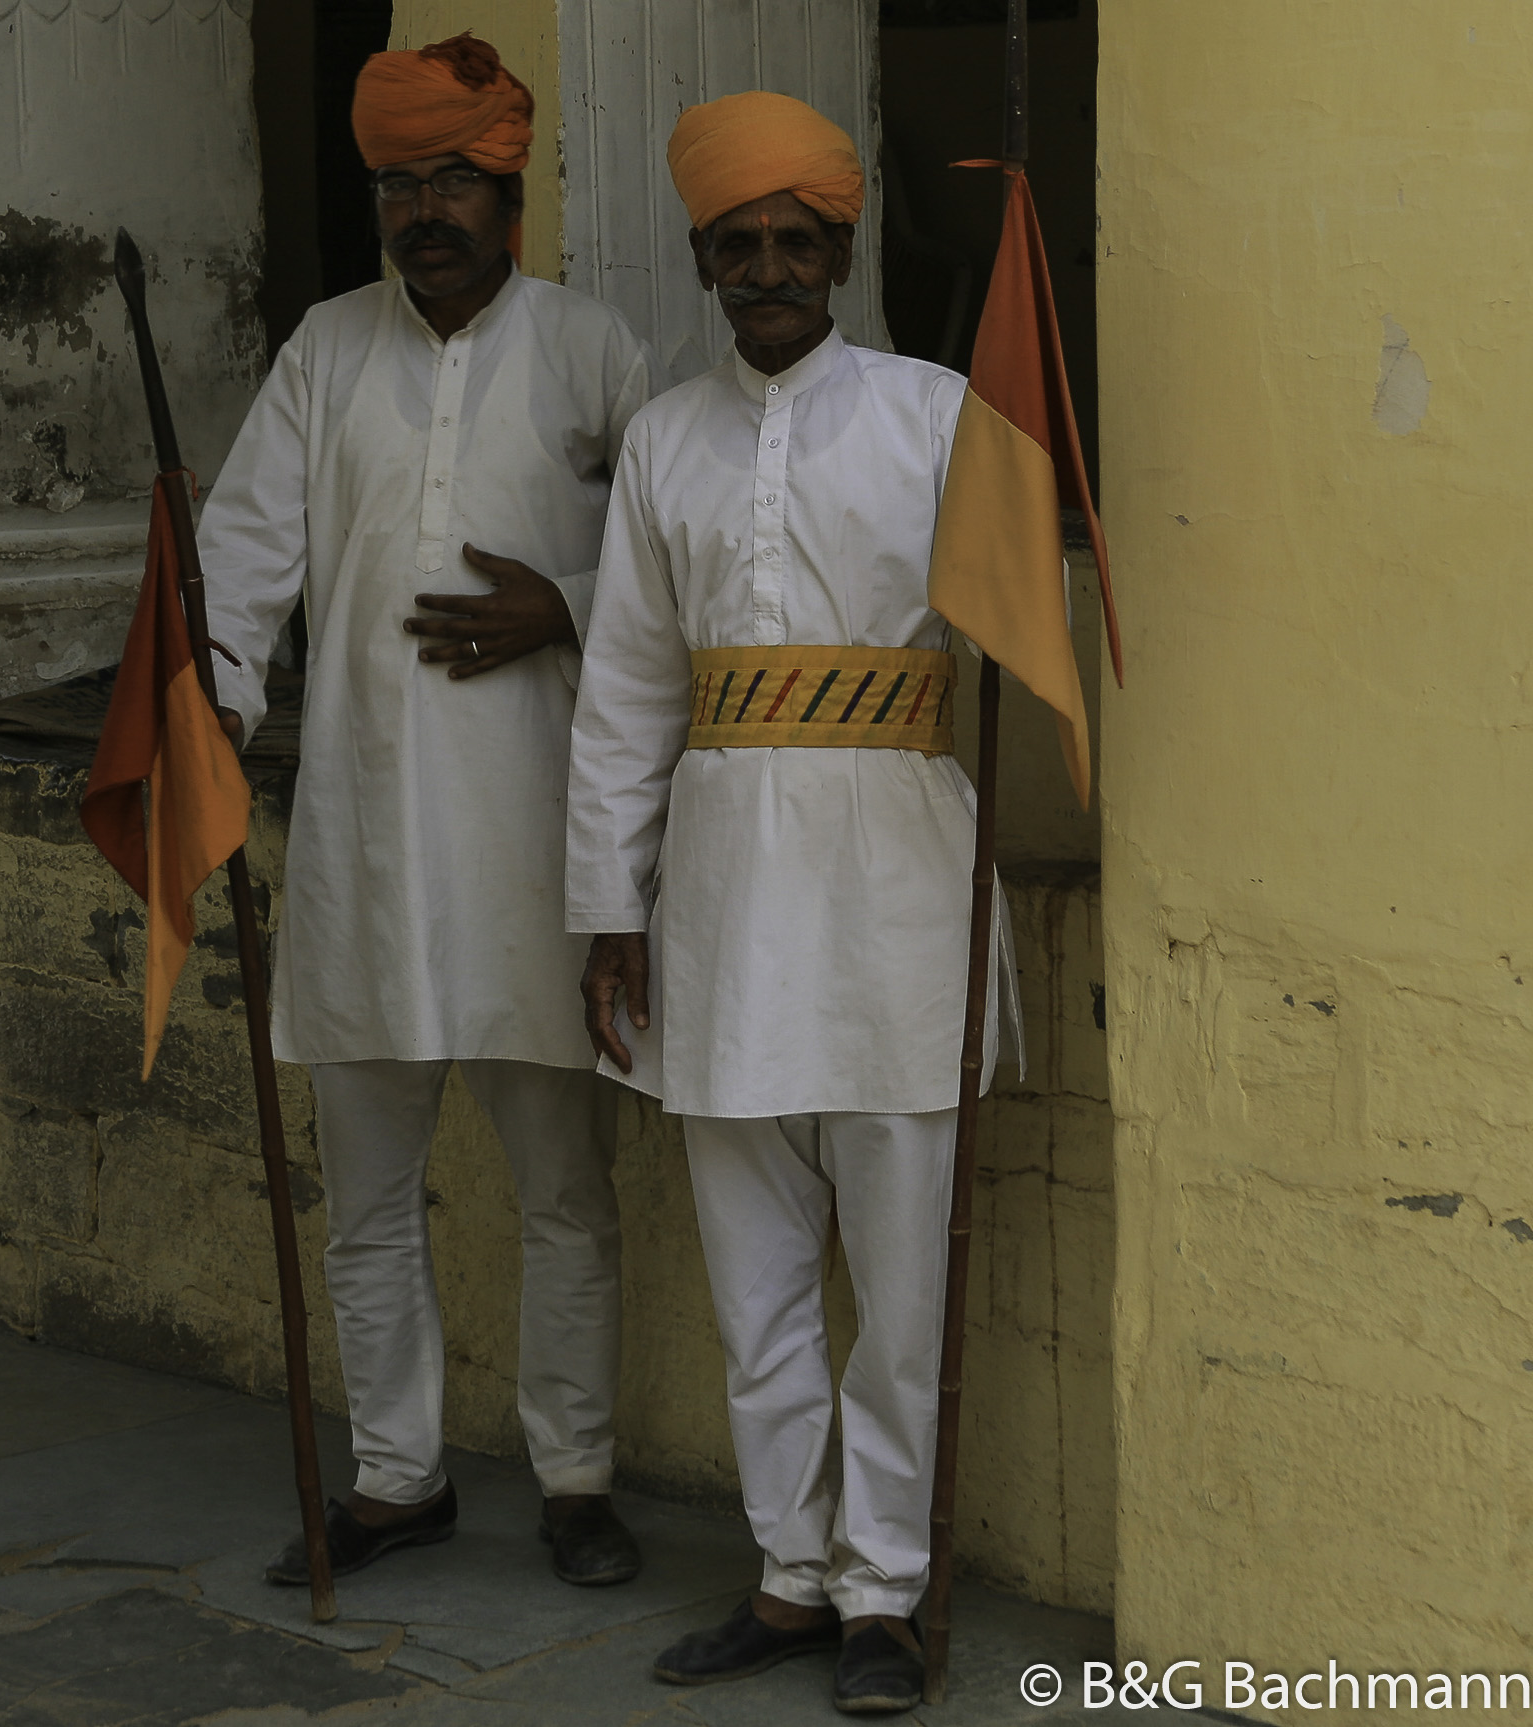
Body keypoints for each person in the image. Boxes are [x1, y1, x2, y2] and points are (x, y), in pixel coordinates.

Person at [565, 91, 1016, 1711]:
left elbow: (1026, 611)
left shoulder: (941, 413)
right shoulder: (668, 443)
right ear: (701, 256)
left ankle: (887, 1591)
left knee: (900, 1281)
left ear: (842, 249)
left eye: (796, 240)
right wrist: (607, 908)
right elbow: (623, 686)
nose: (769, 265)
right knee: (755, 1272)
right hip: (719, 904)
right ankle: (791, 1575)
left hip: (900, 889)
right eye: (738, 242)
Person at [196, 33, 662, 1590]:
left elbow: (678, 573)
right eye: (399, 184)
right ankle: (396, 1478)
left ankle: (577, 1477)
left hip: (545, 856)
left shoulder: (596, 350)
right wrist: (209, 703)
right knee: (368, 1199)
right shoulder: (325, 352)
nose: (424, 209)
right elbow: (243, 556)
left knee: (567, 1199)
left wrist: (571, 603)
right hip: (367, 854)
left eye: (452, 177)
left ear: (510, 189)